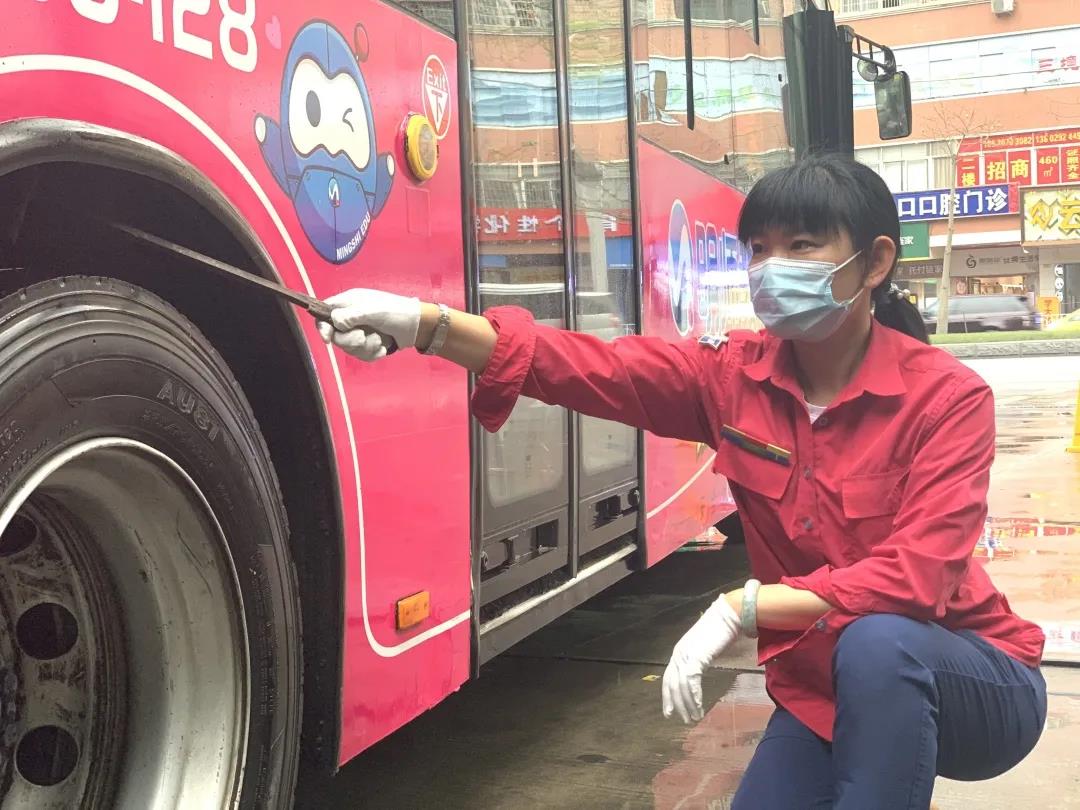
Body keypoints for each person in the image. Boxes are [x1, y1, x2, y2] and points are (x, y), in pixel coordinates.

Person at [317, 153, 1046, 809]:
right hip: (823, 689)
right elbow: (589, 367)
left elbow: (917, 578)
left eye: (801, 246)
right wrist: (425, 324)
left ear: (875, 261)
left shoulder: (947, 398)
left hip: (974, 681)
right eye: (759, 249)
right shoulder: (729, 376)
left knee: (879, 643)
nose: (772, 268)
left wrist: (743, 608)